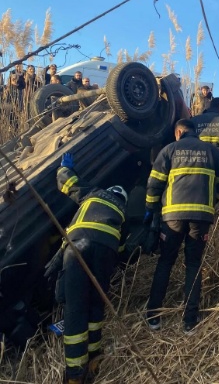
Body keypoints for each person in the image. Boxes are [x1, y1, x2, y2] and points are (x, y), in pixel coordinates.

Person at [145, 119, 219, 334]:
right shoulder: (211, 151)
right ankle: (190, 321)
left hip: (172, 216)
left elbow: (154, 183)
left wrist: (152, 208)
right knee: (193, 264)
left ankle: (154, 317)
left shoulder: (169, 150)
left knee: (165, 262)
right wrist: (212, 201)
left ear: (179, 132)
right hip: (201, 217)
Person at [56, 152, 128, 384]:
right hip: (105, 251)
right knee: (96, 304)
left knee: (76, 307)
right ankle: (94, 358)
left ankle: (75, 374)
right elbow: (122, 249)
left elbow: (67, 182)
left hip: (78, 246)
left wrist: (64, 167)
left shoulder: (94, 193)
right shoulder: (121, 214)